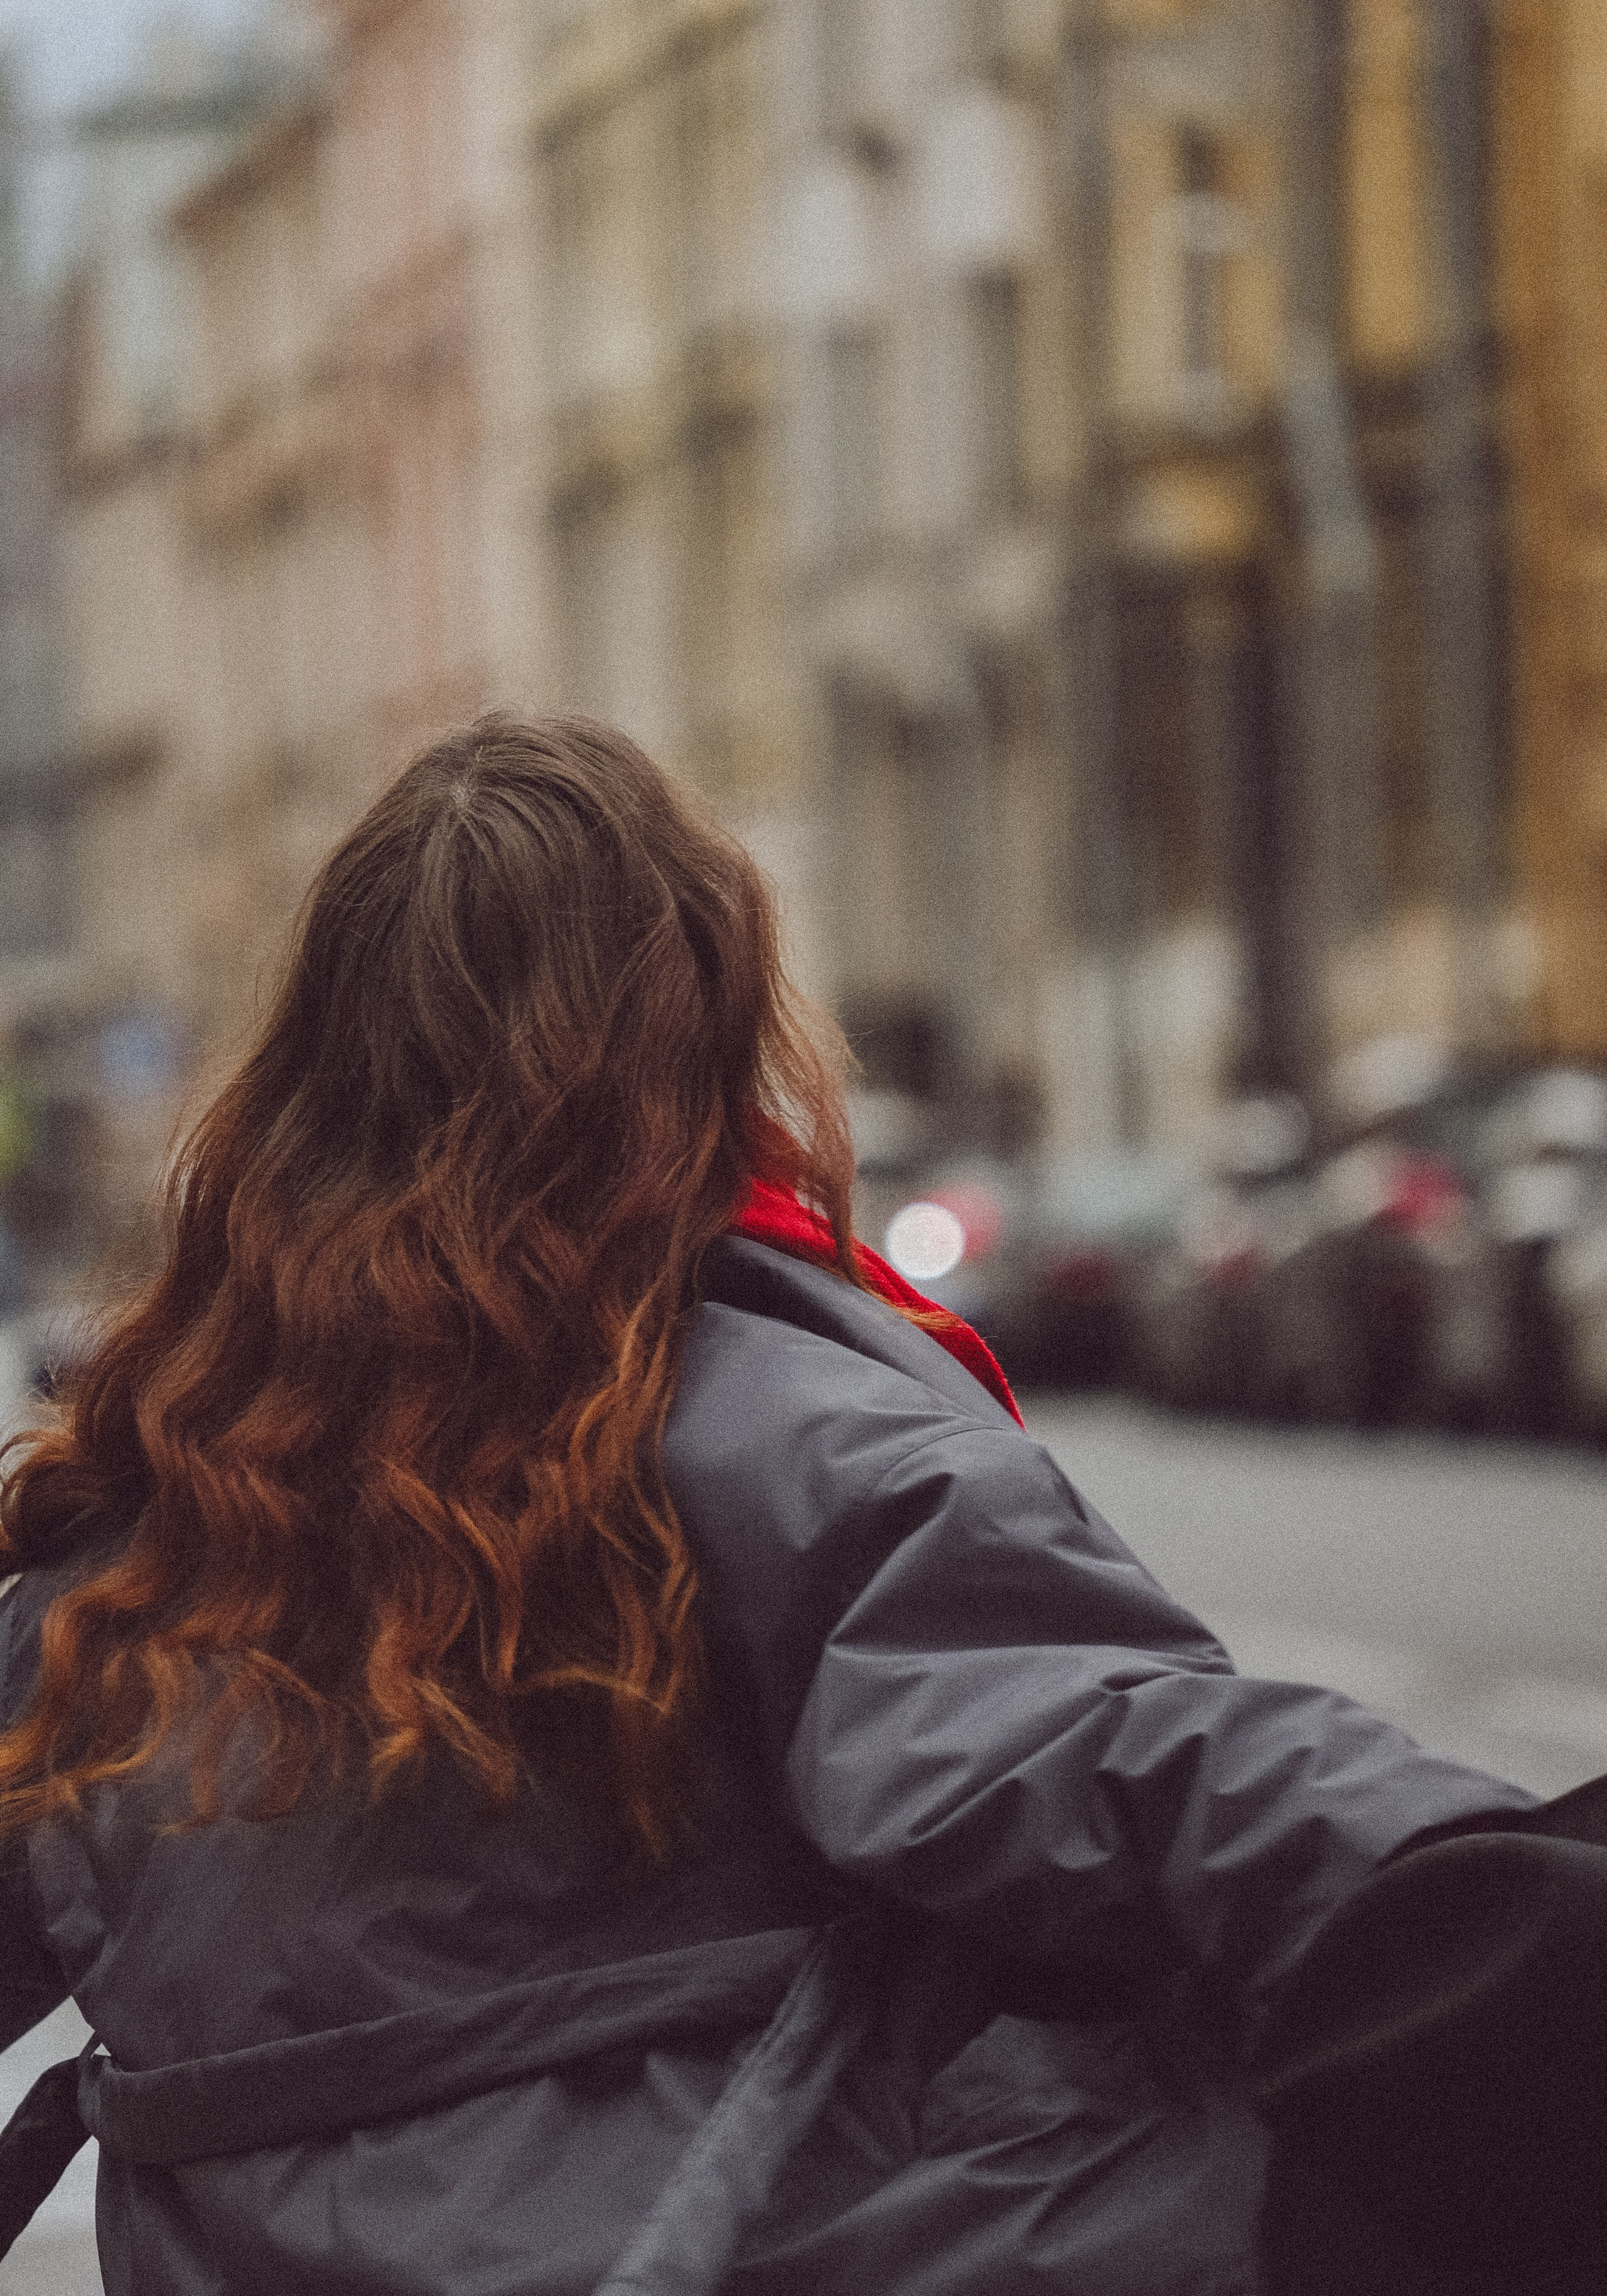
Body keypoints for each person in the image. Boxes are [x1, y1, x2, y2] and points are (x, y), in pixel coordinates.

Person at [0, 714, 1586, 2295]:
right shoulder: (772, 1439)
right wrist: (1485, 1885)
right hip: (751, 2251)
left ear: (313, 1065)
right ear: (700, 1032)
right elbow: (1103, 1760)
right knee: (1348, 2163)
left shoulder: (116, 1561)